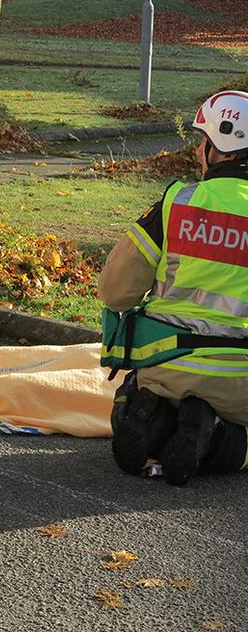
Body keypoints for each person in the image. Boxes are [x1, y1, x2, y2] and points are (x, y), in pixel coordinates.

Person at [99, 90, 248, 486]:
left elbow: (115, 291)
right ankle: (216, 434)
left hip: (167, 368)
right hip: (242, 384)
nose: (199, 150)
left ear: (223, 150)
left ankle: (152, 419)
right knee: (243, 441)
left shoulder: (177, 202)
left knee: (142, 400)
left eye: (204, 141)